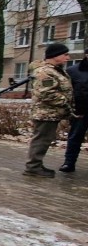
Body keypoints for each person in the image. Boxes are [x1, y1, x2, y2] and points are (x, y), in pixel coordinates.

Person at [24, 42, 73, 178]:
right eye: (65, 54)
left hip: (51, 113)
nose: (67, 58)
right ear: (55, 56)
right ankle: (33, 167)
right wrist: (65, 102)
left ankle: (35, 165)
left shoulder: (55, 70)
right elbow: (46, 93)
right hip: (45, 113)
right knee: (41, 140)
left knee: (43, 140)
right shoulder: (44, 72)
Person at [59, 50, 88, 172]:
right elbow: (66, 92)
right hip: (81, 112)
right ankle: (69, 163)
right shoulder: (73, 71)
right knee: (75, 137)